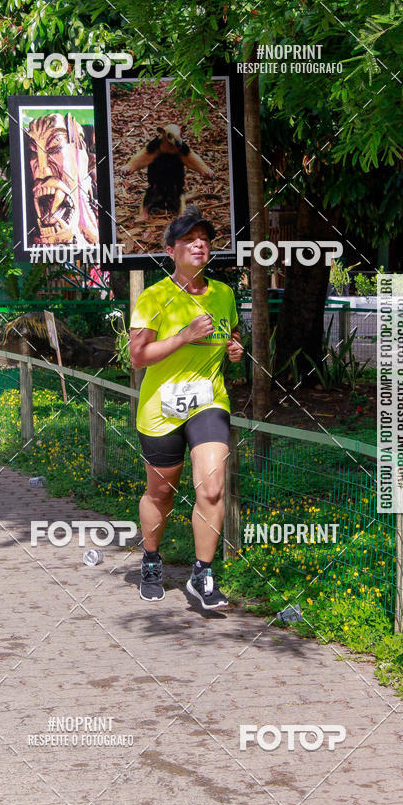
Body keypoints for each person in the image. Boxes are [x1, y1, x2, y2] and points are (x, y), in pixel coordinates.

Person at [129, 205, 244, 609]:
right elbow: (139, 357)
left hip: (208, 401)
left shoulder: (224, 294)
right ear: (171, 250)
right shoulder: (155, 296)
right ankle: (151, 560)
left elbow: (230, 336)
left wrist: (234, 350)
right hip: (161, 410)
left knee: (212, 487)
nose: (199, 245)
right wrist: (184, 335)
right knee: (161, 493)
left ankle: (202, 573)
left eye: (205, 239)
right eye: (189, 240)